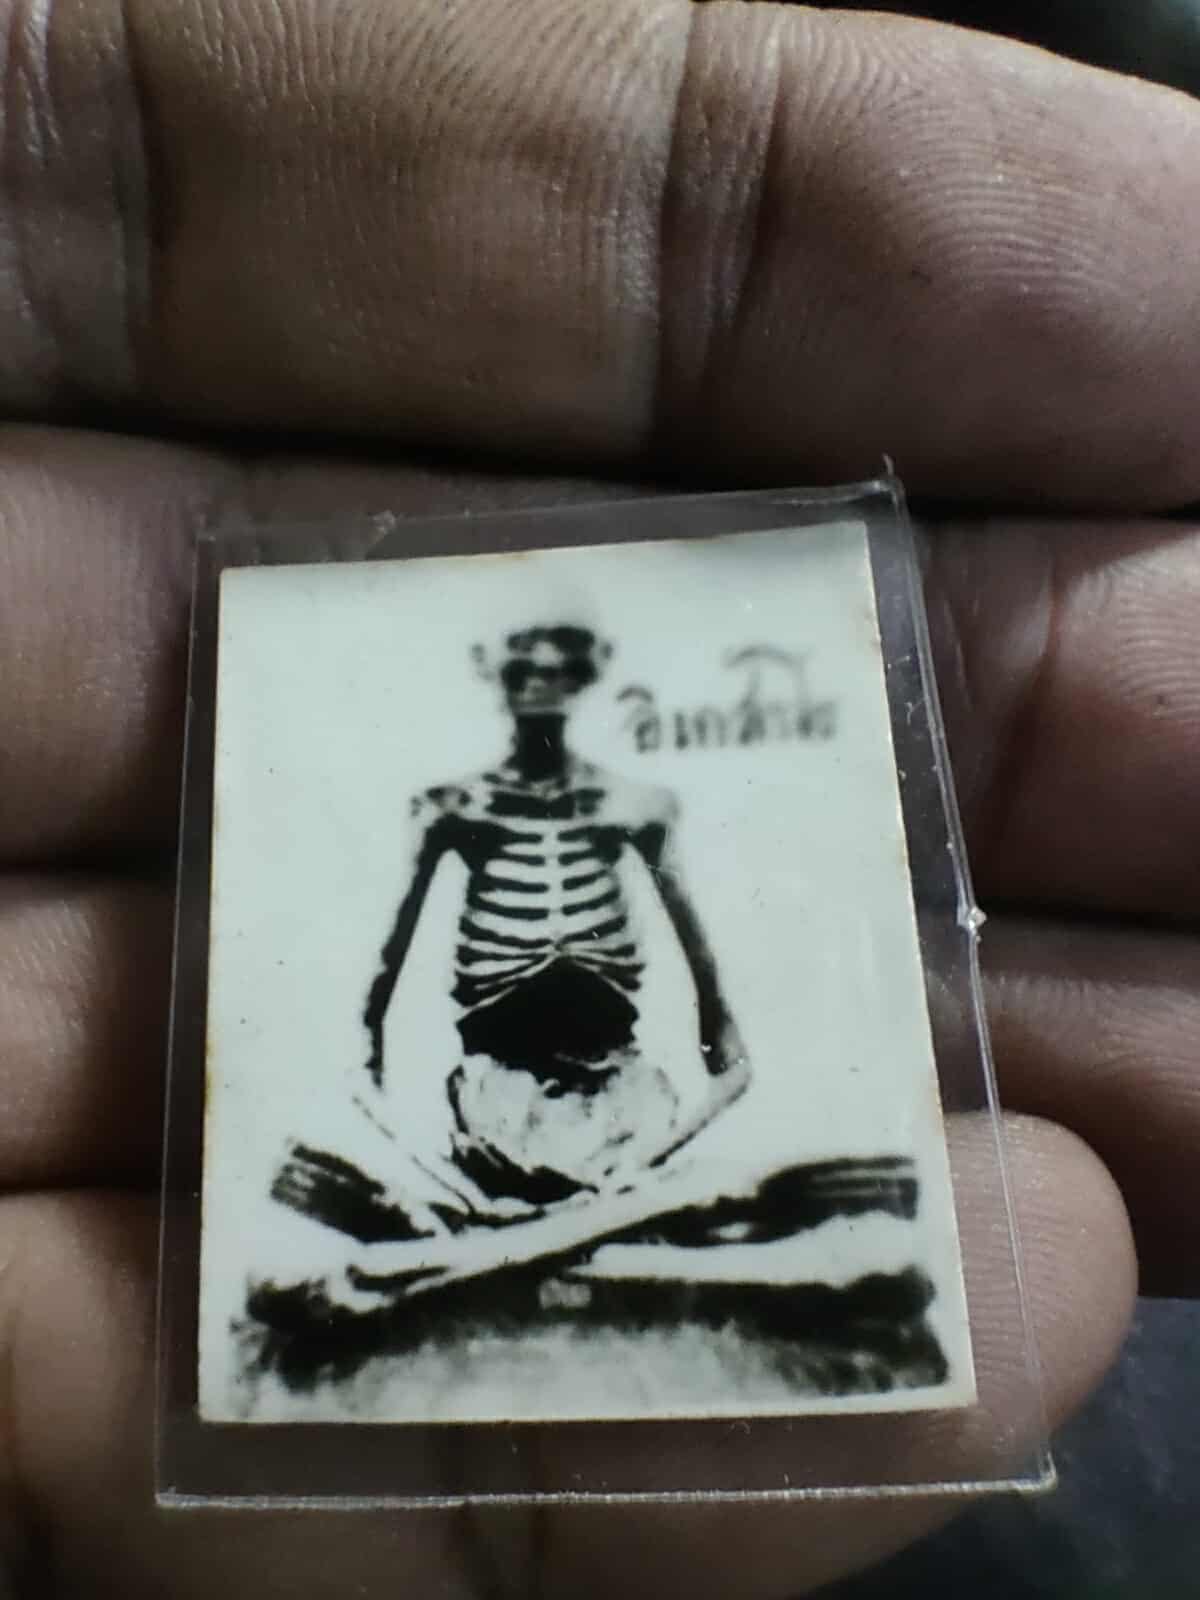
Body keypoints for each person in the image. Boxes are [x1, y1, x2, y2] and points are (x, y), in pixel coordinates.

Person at [0, 0, 1197, 1594]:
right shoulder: (450, 806)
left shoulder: (628, 808)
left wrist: (709, 1041)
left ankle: (558, 1210)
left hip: (607, 1041)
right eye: (534, 679)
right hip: (500, 1039)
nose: (545, 696)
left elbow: (671, 926)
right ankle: (549, 1208)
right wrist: (378, 1064)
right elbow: (410, 943)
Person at [360, 623, 748, 1208]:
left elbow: (722, 1031)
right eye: (523, 669)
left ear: (583, 677)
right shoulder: (452, 810)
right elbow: (372, 1015)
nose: (540, 684)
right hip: (501, 1098)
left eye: (557, 669)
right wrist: (440, 1174)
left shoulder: (636, 807)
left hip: (619, 1098)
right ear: (494, 673)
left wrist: (677, 1127)